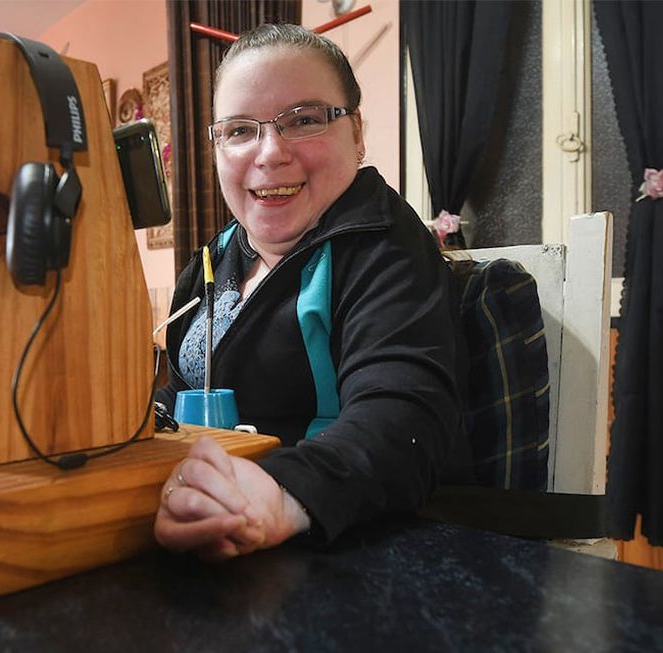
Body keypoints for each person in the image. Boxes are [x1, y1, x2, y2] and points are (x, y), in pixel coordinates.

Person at [153, 24, 470, 560]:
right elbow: (177, 397)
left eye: (304, 120)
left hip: (336, 546)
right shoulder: (211, 260)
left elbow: (402, 419)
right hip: (202, 524)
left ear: (357, 133)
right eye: (238, 131)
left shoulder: (383, 245)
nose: (270, 153)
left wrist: (281, 494)